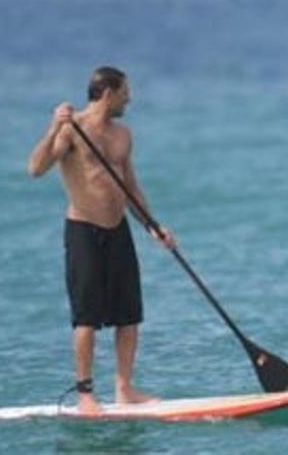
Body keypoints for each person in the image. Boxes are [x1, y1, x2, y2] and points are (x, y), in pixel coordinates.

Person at [27, 66, 176, 415]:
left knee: (129, 313)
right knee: (87, 317)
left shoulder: (123, 135)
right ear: (108, 92)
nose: (130, 98)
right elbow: (35, 168)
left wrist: (153, 226)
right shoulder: (71, 129)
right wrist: (52, 128)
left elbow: (131, 188)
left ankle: (124, 388)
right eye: (125, 91)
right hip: (84, 231)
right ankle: (85, 395)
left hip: (119, 229)